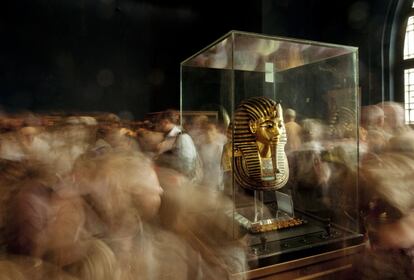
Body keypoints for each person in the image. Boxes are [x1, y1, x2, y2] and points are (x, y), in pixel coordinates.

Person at [154, 109, 202, 183]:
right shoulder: (172, 136)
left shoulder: (182, 137)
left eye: (160, 123)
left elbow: (187, 164)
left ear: (165, 122)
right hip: (173, 180)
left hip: (181, 182)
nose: (158, 126)